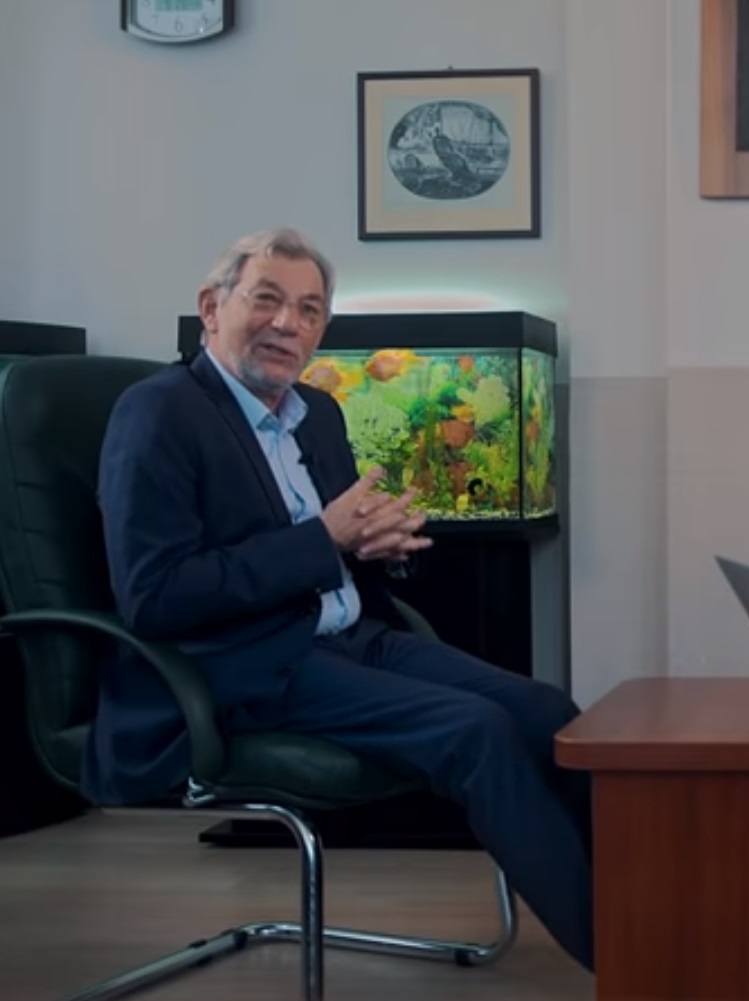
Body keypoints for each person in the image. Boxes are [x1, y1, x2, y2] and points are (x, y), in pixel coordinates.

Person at [91, 228, 594, 970]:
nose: (287, 324)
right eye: (267, 300)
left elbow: (343, 547)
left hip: (352, 637)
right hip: (246, 662)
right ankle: (626, 954)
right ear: (212, 307)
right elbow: (155, 596)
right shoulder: (157, 412)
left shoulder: (318, 414)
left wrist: (382, 548)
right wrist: (324, 540)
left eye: (309, 310)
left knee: (549, 712)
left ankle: (651, 908)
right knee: (477, 731)